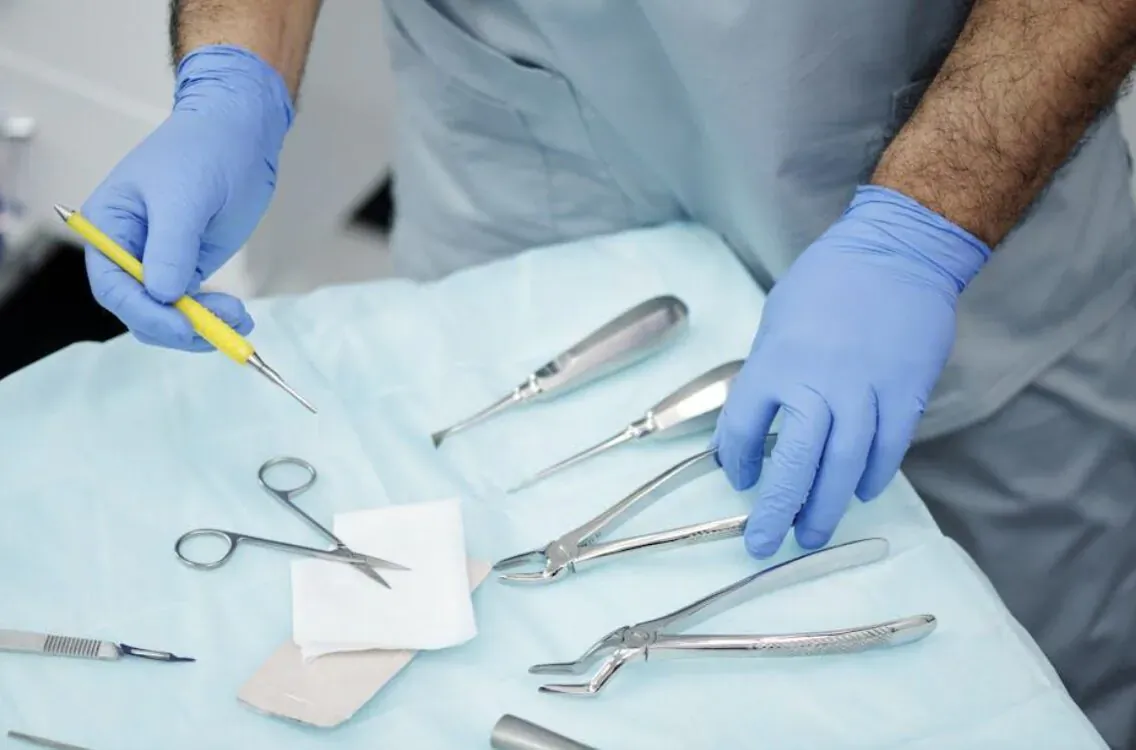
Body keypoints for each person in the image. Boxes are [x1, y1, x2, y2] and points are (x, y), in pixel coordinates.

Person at [81, 1, 1136, 745]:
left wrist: (921, 235)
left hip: (959, 208)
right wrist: (232, 79)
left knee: (1028, 686)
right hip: (532, 151)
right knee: (498, 580)